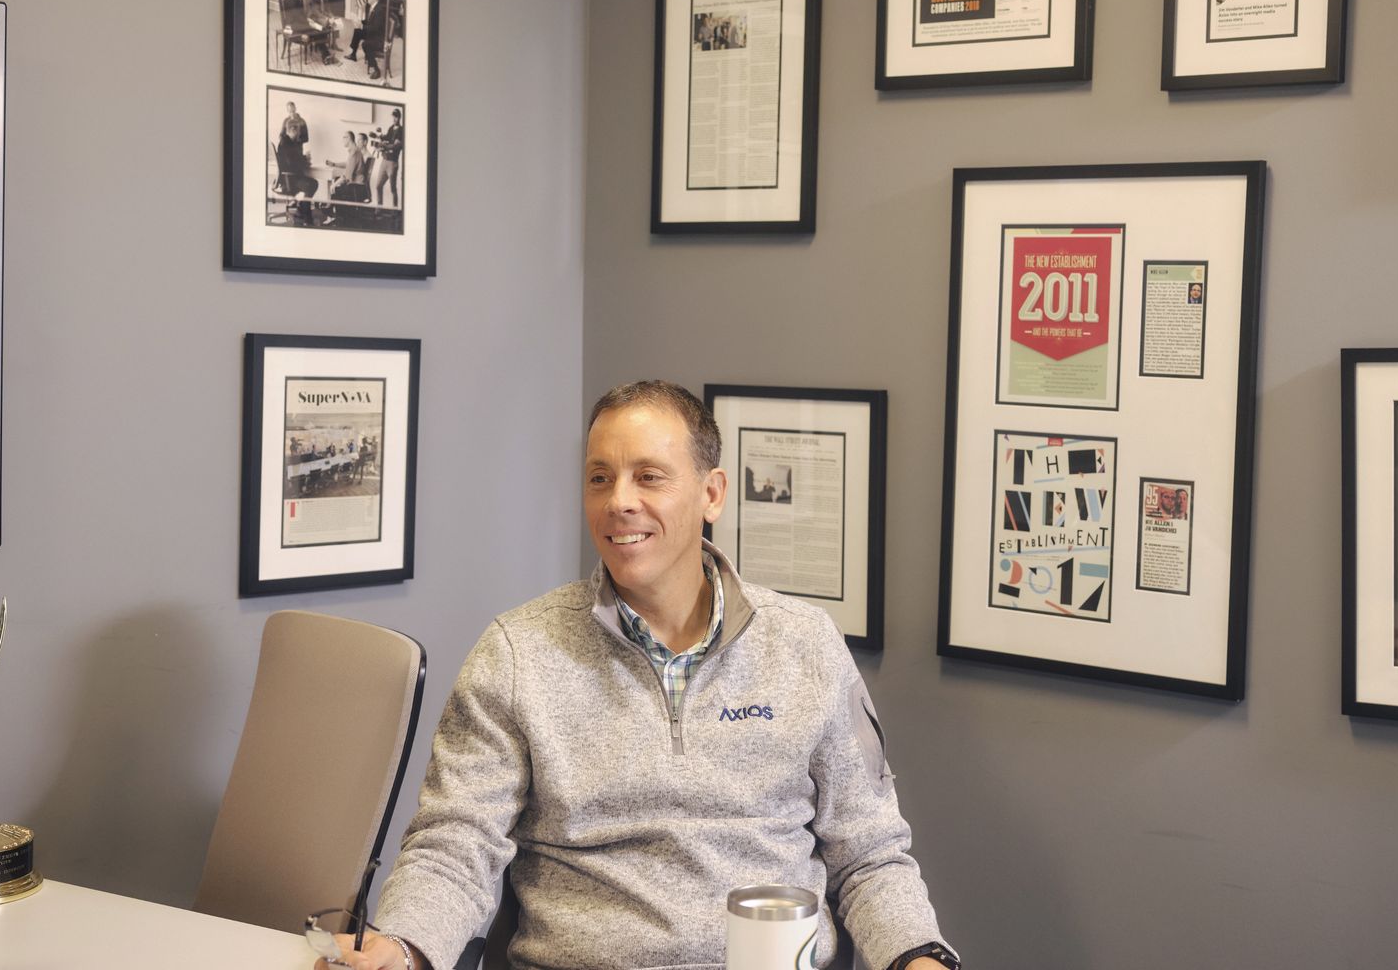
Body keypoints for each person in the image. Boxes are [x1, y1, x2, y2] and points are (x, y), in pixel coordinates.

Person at [319, 381, 958, 970]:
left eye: (649, 476)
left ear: (712, 494)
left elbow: (869, 856)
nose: (620, 501)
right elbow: (455, 845)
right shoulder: (518, 652)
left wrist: (919, 957)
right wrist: (403, 947)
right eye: (600, 478)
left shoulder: (805, 643)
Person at [372, 108, 403, 209]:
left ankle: (395, 211)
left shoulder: (402, 130)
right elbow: (386, 138)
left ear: (400, 117)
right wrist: (377, 136)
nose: (394, 118)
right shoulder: (391, 128)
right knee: (378, 186)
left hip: (392, 163)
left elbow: (396, 146)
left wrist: (383, 145)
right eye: (393, 116)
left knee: (393, 189)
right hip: (384, 161)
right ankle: (379, 209)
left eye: (396, 116)